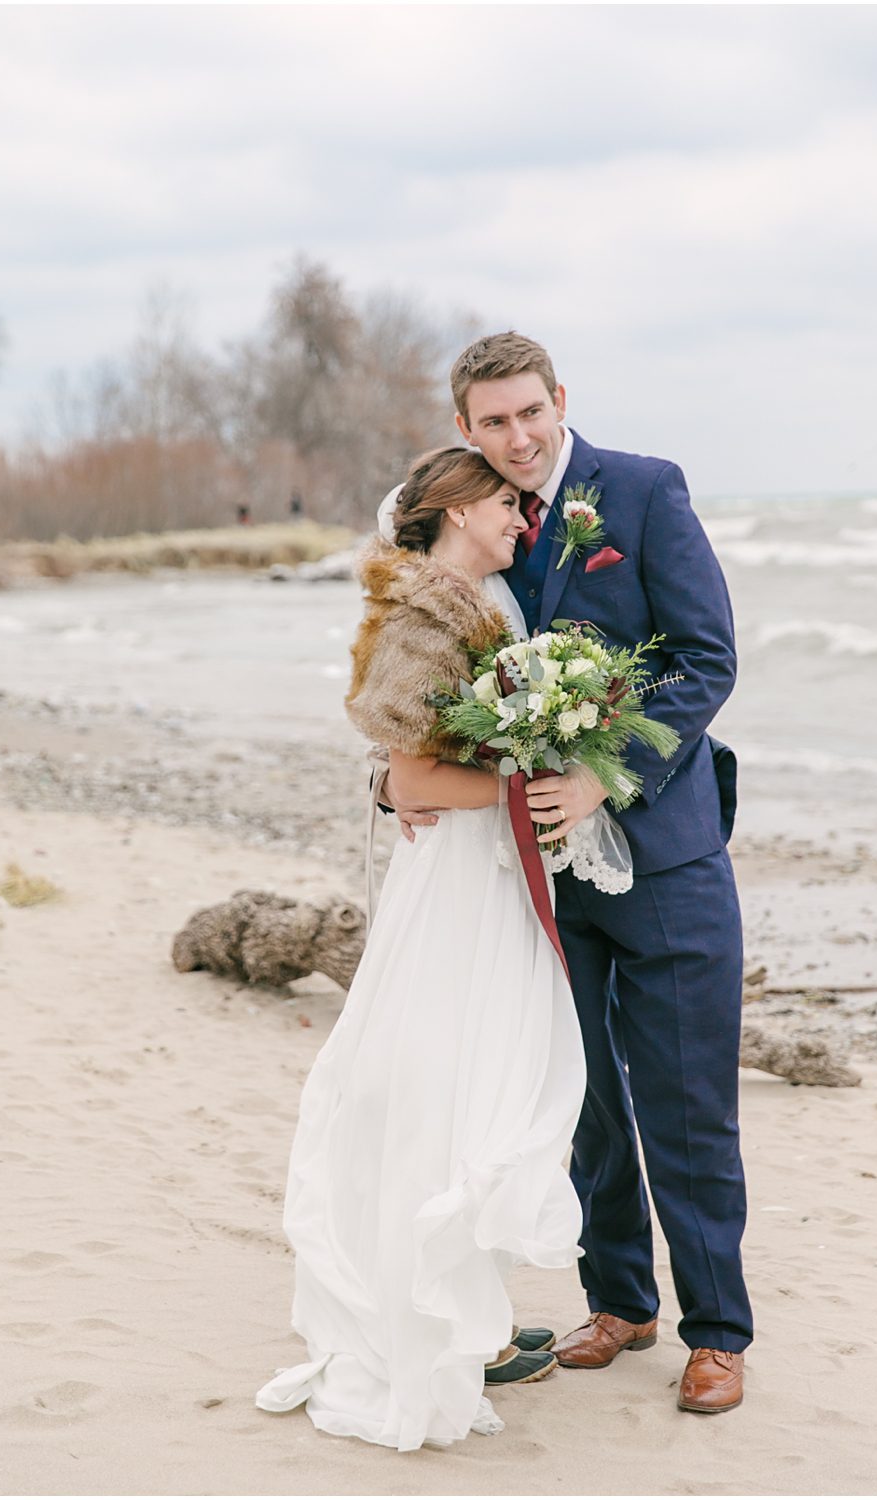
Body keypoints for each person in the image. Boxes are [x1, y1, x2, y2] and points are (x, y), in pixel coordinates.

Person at [385, 331, 751, 1414]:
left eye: (530, 412)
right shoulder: (476, 520)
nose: (518, 438)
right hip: (532, 873)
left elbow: (704, 658)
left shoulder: (642, 491)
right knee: (580, 1099)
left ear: (559, 399)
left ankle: (717, 1333)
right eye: (494, 422)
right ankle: (620, 1304)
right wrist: (399, 778)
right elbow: (431, 674)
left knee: (686, 1103)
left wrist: (601, 775)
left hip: (666, 853)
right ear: (466, 428)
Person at [256, 448, 591, 1450]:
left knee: (476, 1084)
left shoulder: (482, 606)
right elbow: (411, 783)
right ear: (454, 510)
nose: (522, 518)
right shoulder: (425, 617)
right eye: (505, 503)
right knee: (443, 1086)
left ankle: (467, 1317)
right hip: (454, 886)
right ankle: (430, 1320)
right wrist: (522, 786)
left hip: (484, 877)